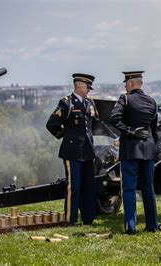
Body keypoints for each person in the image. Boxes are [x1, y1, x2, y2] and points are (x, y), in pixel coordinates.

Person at [46, 73, 100, 226]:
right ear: (79, 85)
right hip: (72, 152)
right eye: (87, 86)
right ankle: (70, 219)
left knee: (89, 187)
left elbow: (95, 124)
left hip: (88, 151)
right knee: (74, 187)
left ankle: (88, 218)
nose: (89, 89)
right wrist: (66, 136)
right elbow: (51, 124)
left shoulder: (90, 103)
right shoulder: (66, 103)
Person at [110, 70, 159, 234]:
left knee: (129, 189)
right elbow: (153, 128)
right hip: (148, 150)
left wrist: (130, 131)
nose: (125, 86)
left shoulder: (125, 99)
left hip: (131, 150)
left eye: (126, 83)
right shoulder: (152, 102)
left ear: (131, 83)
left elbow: (114, 119)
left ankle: (131, 227)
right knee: (148, 189)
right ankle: (152, 225)